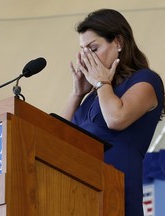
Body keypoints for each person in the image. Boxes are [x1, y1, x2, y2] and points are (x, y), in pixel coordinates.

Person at [61, 9, 164, 216]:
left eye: (93, 48)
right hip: (79, 189)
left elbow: (116, 119)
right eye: (83, 51)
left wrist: (101, 83)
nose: (86, 58)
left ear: (118, 42)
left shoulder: (145, 80)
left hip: (115, 184)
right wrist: (76, 94)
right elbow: (55, 138)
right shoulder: (92, 96)